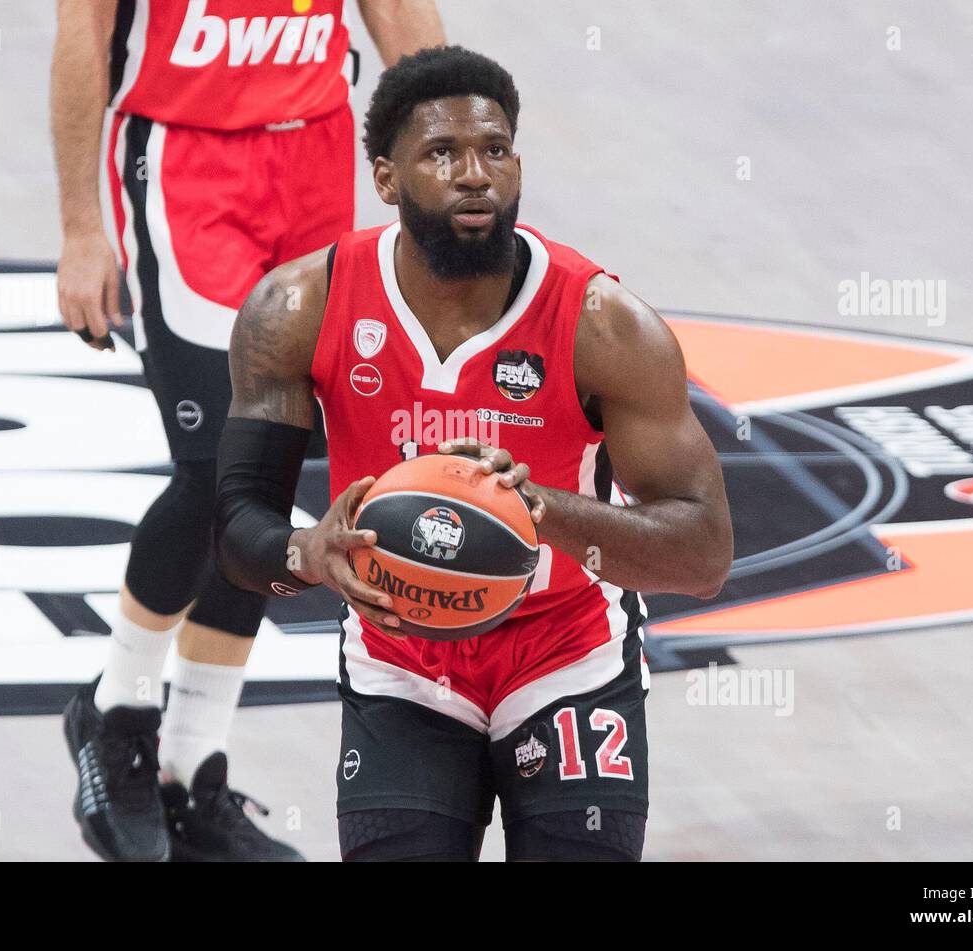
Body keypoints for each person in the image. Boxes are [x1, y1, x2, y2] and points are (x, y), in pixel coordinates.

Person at [214, 45, 734, 861]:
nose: (476, 175)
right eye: (442, 154)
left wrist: (540, 512)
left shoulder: (604, 325)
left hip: (568, 655)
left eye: (495, 149)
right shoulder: (297, 307)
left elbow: (705, 556)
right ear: (386, 179)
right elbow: (239, 536)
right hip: (403, 661)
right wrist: (306, 554)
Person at [50, 0, 445, 862]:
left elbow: (399, 17)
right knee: (212, 468)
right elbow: (82, 31)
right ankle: (114, 709)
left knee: (267, 481)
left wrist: (442, 182)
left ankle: (192, 766)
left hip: (314, 155)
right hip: (187, 165)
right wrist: (82, 229)